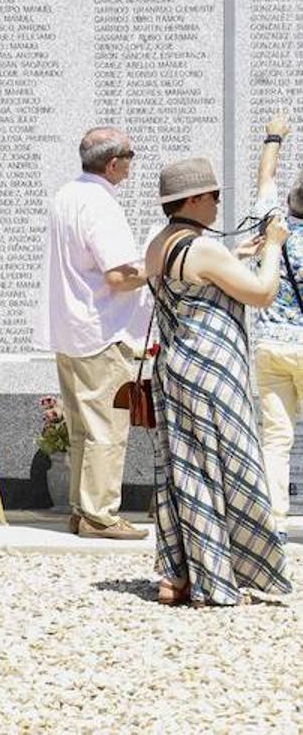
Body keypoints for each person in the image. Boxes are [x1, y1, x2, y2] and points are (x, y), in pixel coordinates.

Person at [144, 157, 293, 606]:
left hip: (174, 370)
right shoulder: (205, 250)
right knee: (228, 472)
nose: (216, 205)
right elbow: (263, 292)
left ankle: (177, 576)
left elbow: (199, 277)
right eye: (213, 197)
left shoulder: (158, 243)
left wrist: (238, 255)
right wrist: (272, 247)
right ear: (192, 199)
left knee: (182, 472)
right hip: (213, 373)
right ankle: (216, 583)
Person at [34, 127, 149, 540]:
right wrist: (158, 266)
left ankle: (82, 510)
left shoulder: (65, 196)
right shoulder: (101, 204)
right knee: (107, 428)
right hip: (102, 329)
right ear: (114, 163)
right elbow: (118, 274)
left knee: (82, 428)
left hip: (70, 329)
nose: (133, 163)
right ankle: (101, 515)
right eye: (131, 156)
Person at [248, 112, 301, 543]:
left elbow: (265, 178)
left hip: (270, 344)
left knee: (276, 437)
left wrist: (274, 137)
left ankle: (275, 521)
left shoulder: (272, 224)